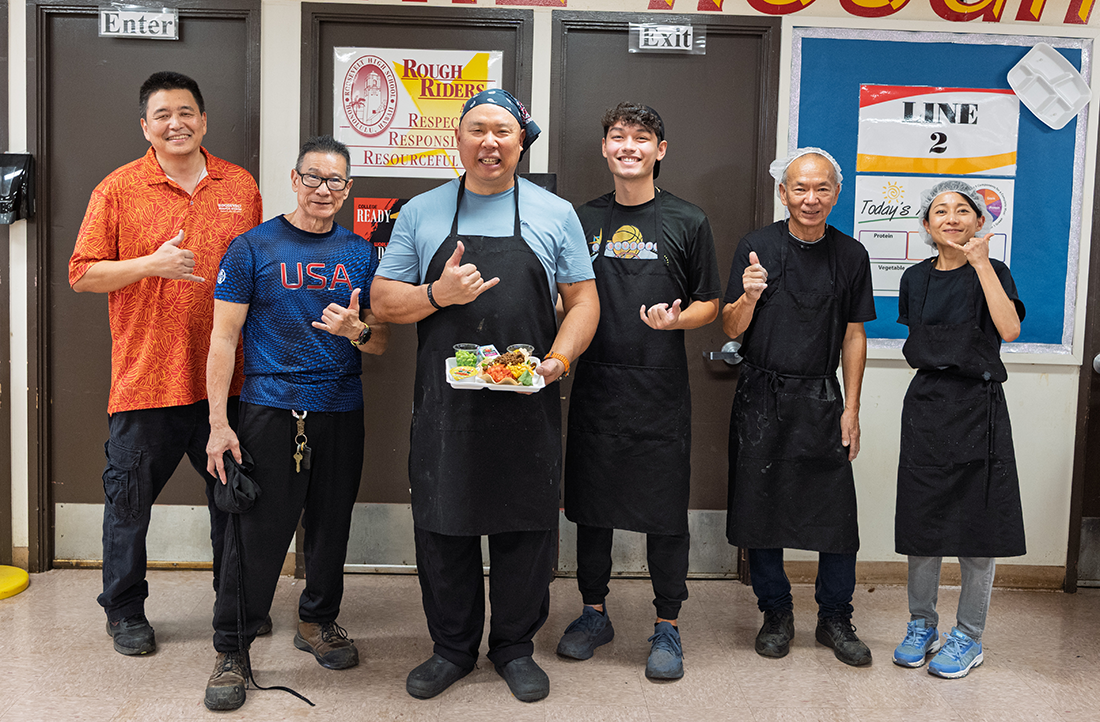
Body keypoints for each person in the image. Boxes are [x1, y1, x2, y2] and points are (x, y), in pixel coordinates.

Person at [370, 88, 599, 703]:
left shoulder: (555, 213)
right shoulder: (421, 212)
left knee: (526, 525)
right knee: (443, 525)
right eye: (476, 129)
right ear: (458, 140)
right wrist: (439, 296)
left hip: (527, 400)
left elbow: (583, 301)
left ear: (521, 142)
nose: (489, 142)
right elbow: (383, 302)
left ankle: (515, 647)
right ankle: (451, 648)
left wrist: (557, 359)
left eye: (502, 131)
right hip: (446, 407)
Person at [68, 71, 262, 657]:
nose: (175, 123)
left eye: (186, 112)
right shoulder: (118, 188)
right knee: (127, 506)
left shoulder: (240, 184)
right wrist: (149, 264)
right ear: (145, 126)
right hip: (145, 378)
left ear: (203, 120)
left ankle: (234, 605)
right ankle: (124, 611)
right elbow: (82, 273)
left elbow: (256, 270)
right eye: (162, 115)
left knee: (234, 503)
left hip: (226, 384)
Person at [202, 135, 388, 711]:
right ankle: (233, 647)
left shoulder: (363, 255)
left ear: (348, 189)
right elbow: (223, 338)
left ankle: (318, 621)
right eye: (313, 178)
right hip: (268, 409)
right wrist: (218, 423)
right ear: (294, 178)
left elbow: (378, 342)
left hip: (341, 408)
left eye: (336, 181)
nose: (323, 190)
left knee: (331, 527)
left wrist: (353, 331)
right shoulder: (252, 247)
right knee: (255, 535)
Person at [556, 103, 720, 680]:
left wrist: (678, 323)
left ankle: (667, 625)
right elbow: (566, 295)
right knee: (593, 507)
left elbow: (710, 304)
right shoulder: (579, 219)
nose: (629, 146)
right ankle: (593, 612)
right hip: (597, 383)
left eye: (642, 137)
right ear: (604, 147)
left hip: (659, 391)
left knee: (664, 512)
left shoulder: (687, 220)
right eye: (618, 136)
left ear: (660, 150)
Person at [722, 148, 876, 667]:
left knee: (836, 515)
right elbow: (729, 328)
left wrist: (851, 408)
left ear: (837, 192)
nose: (811, 199)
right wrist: (746, 297)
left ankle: (835, 615)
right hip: (760, 395)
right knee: (760, 507)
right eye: (800, 189)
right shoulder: (756, 246)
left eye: (822, 189)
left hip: (821, 396)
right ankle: (776, 612)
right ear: (782, 192)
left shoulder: (852, 255)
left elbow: (854, 335)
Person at [891, 180, 1025, 679]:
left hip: (978, 407)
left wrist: (982, 264)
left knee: (977, 527)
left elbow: (1009, 330)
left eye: (962, 210)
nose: (952, 218)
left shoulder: (995, 272)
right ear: (926, 226)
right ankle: (921, 623)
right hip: (926, 408)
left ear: (978, 221)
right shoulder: (914, 278)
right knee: (923, 525)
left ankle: (968, 635)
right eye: (940, 211)